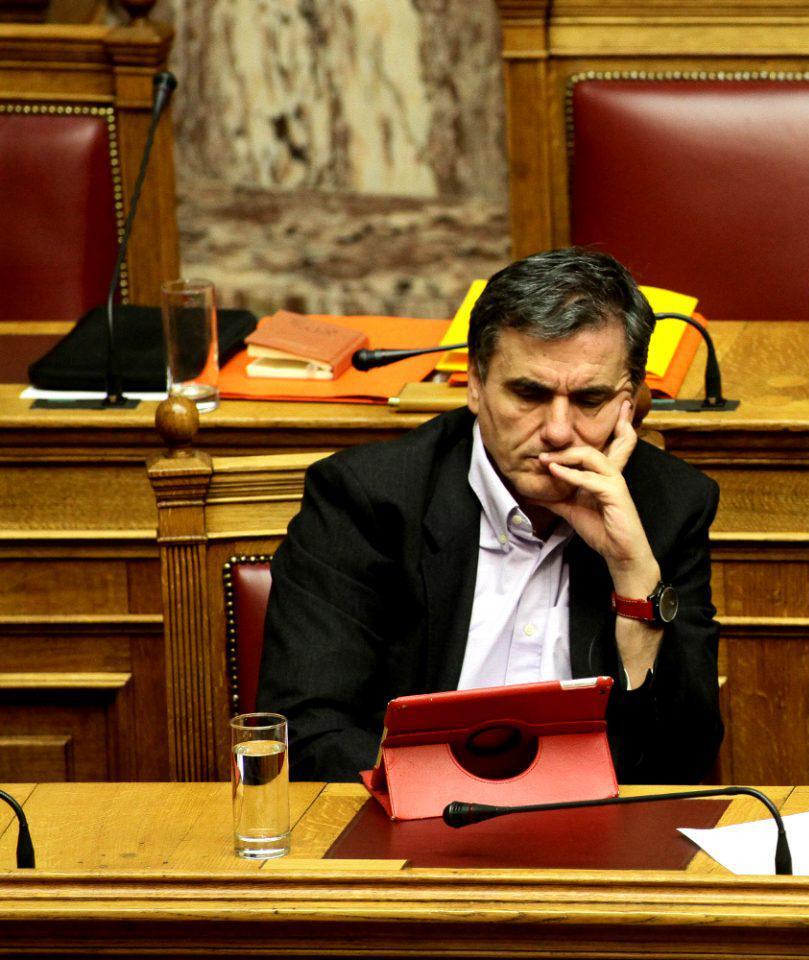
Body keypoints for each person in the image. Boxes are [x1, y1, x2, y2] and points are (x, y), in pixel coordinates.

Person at [258, 247, 721, 783]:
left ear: (629, 402)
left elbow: (686, 763)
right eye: (529, 393)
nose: (558, 431)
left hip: (589, 825)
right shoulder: (369, 499)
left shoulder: (668, 507)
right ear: (476, 383)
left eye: (590, 399)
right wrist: (443, 795)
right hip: (410, 820)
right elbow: (307, 732)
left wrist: (633, 574)